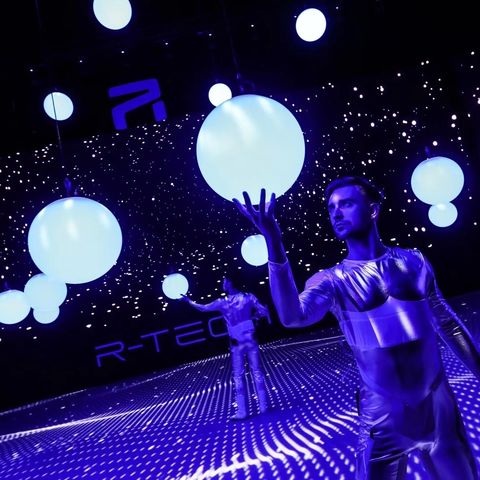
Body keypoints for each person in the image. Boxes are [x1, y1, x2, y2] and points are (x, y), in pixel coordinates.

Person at [233, 176, 480, 479]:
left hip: (440, 410)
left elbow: (447, 323)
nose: (336, 213)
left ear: (372, 209)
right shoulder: (332, 280)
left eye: (346, 204)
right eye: (331, 208)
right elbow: (292, 316)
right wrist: (274, 241)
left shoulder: (415, 261)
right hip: (383, 420)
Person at [182, 275, 270, 420]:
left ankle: (243, 412)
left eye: (224, 281)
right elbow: (263, 311)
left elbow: (203, 308)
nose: (223, 283)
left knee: (238, 376)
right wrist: (254, 318)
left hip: (236, 342)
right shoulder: (248, 297)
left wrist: (189, 301)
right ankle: (264, 406)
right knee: (256, 371)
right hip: (249, 338)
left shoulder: (223, 302)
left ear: (230, 282)